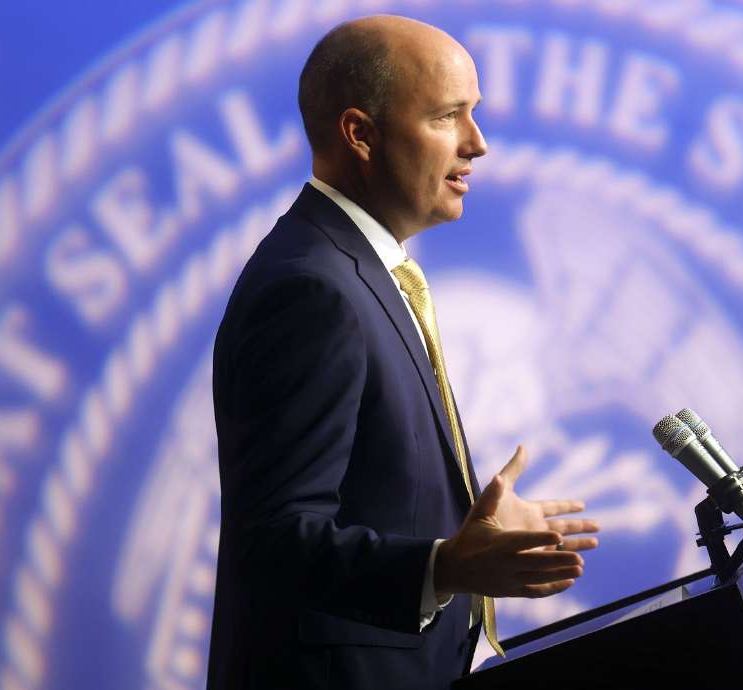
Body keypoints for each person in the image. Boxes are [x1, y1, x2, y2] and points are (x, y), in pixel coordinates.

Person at [206, 14, 599, 690]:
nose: (477, 143)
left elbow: (370, 494)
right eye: (448, 116)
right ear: (359, 134)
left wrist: (464, 522)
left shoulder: (360, 271)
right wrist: (444, 566)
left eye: (473, 112)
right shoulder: (311, 290)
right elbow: (272, 541)